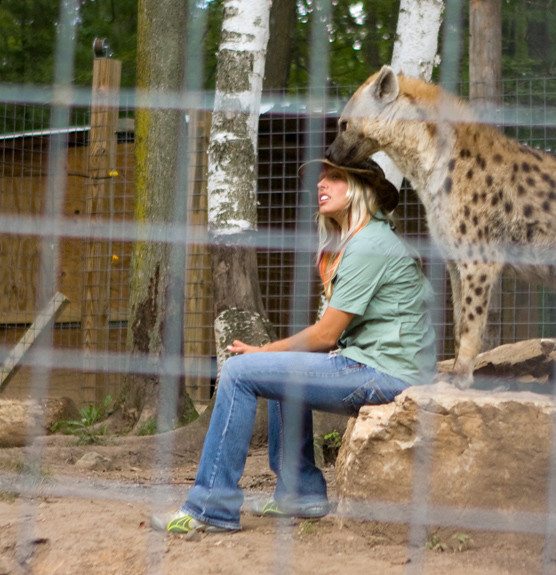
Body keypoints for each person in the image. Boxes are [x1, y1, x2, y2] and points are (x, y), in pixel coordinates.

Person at [152, 157, 436, 534]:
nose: (321, 185)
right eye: (319, 180)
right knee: (282, 371)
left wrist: (264, 352)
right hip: (378, 367)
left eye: (334, 178)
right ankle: (300, 494)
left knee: (239, 372)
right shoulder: (357, 241)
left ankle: (210, 508)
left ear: (362, 189)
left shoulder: (369, 243)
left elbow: (325, 336)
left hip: (385, 375)